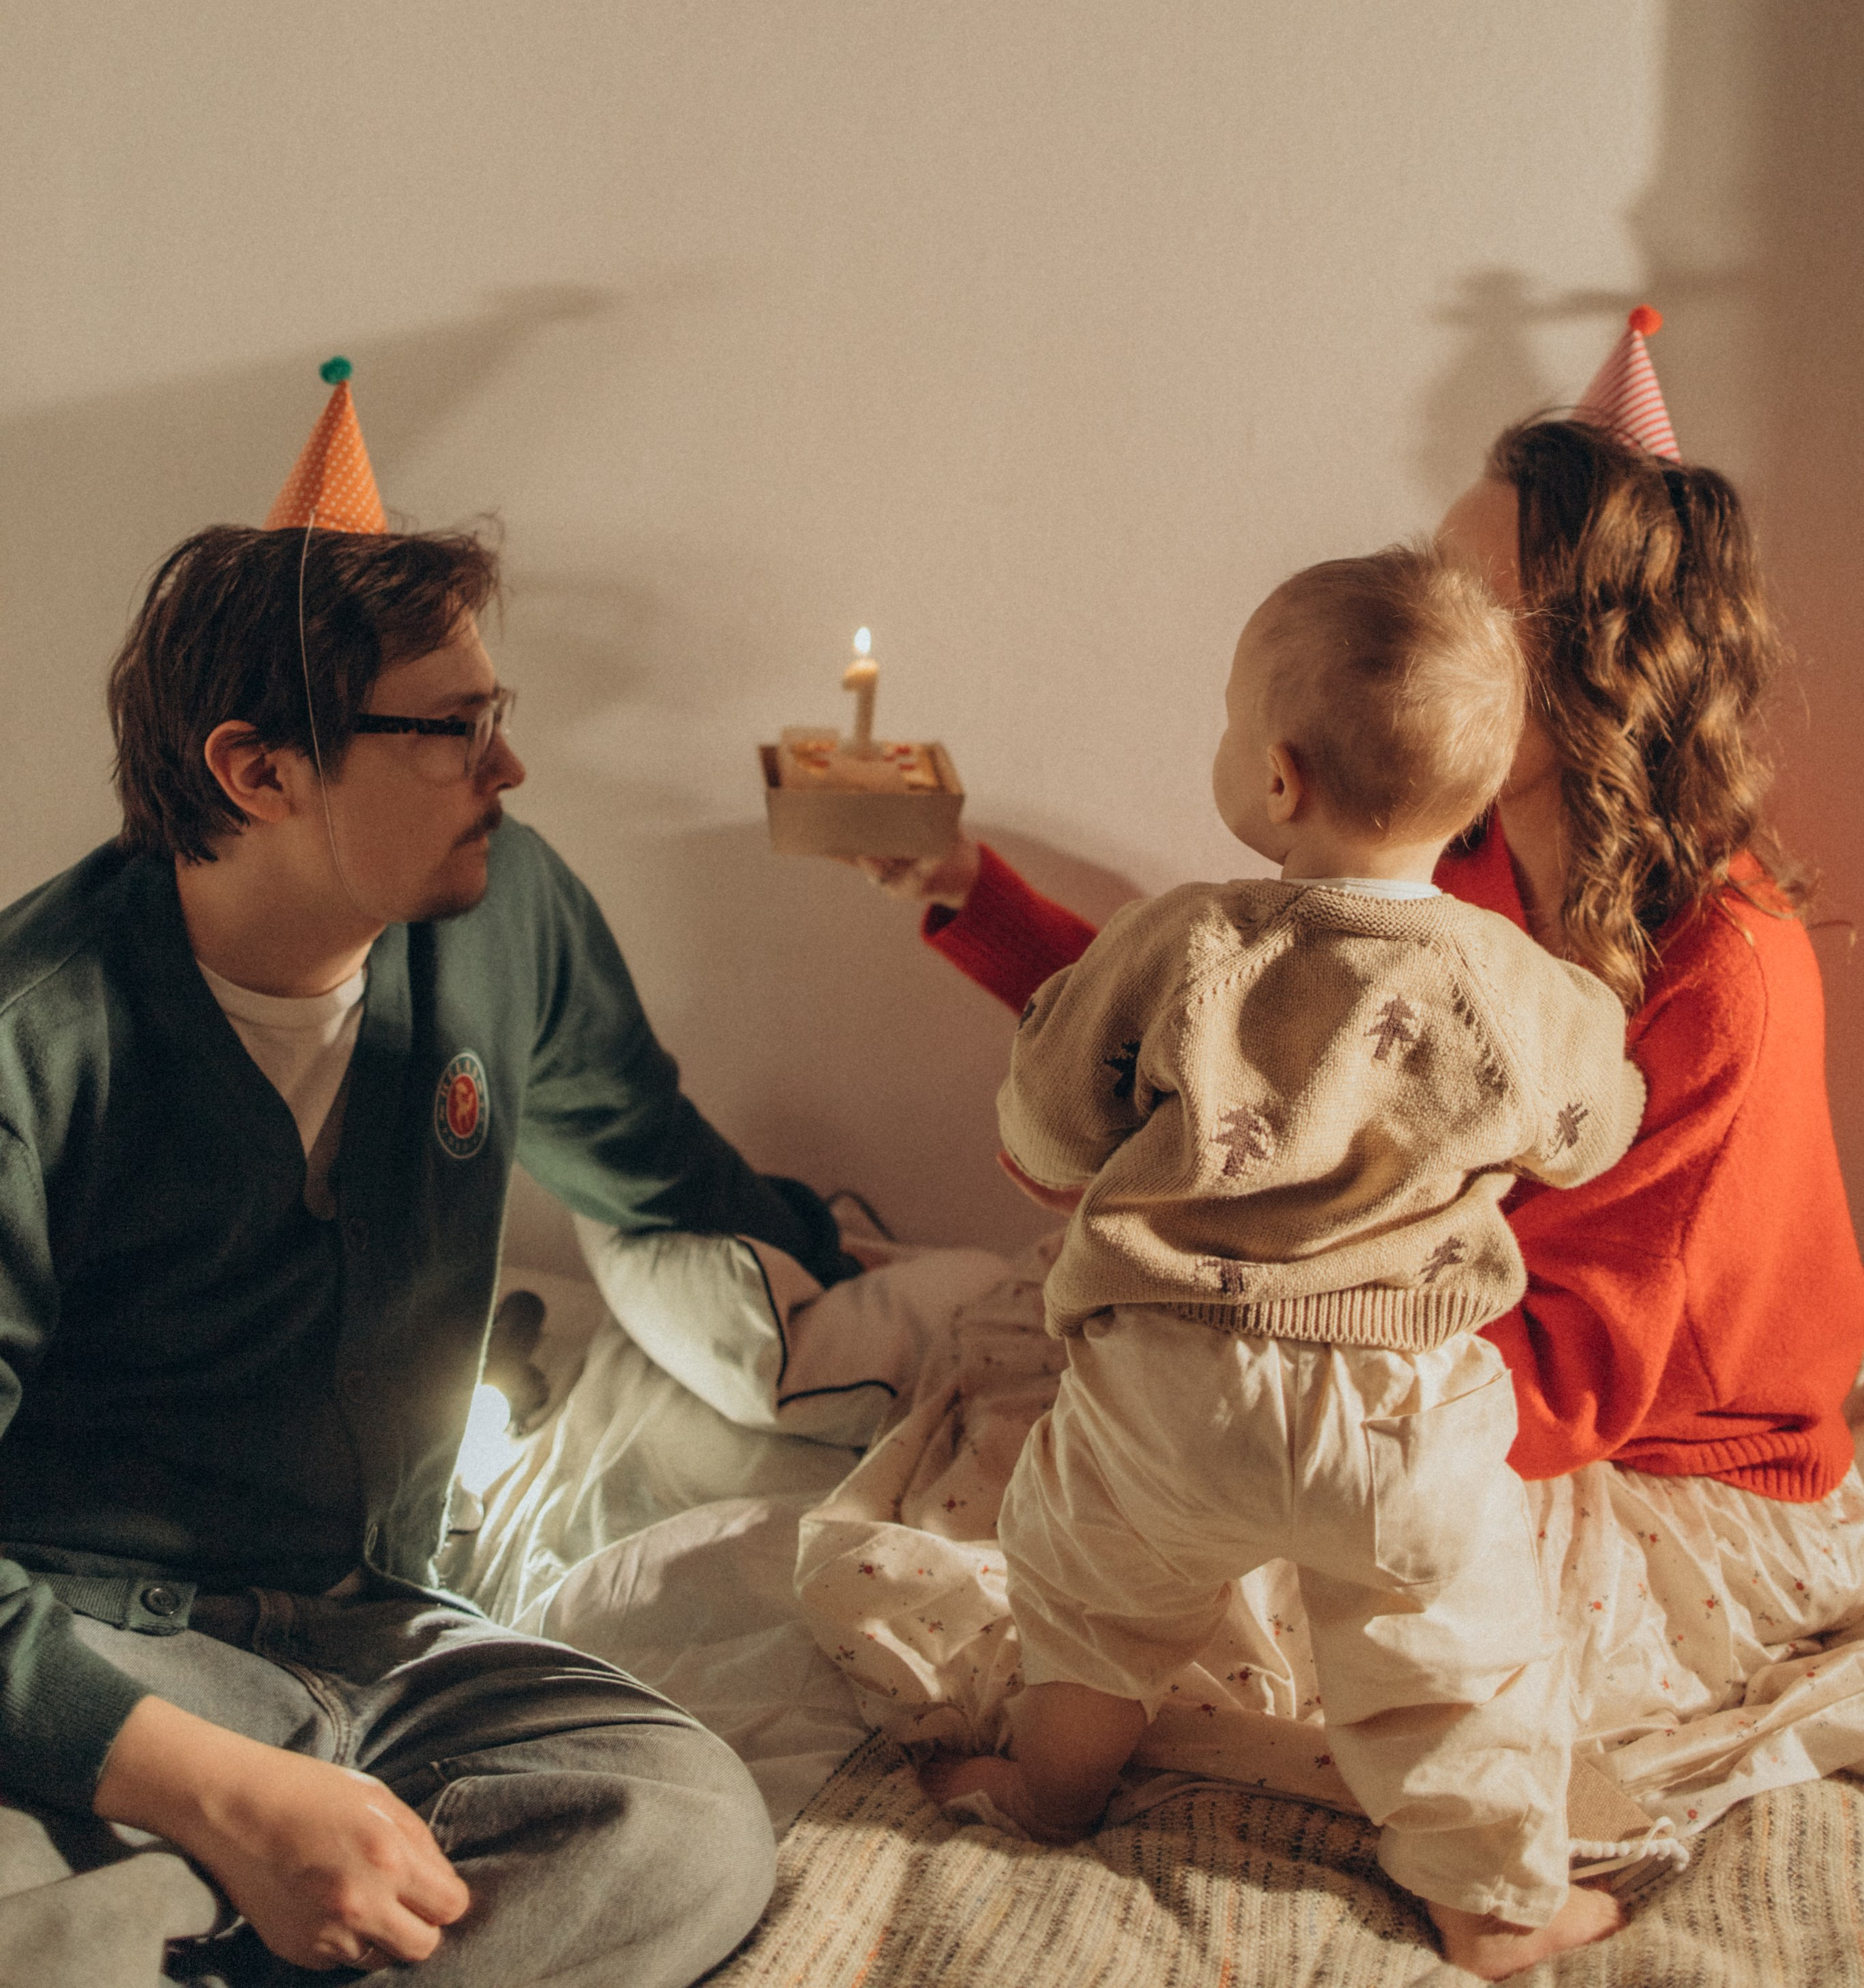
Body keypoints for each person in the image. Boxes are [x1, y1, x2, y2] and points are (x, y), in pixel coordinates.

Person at [880, 415, 1864, 1829]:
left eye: (1463, 600)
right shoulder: (1447, 867)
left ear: (1584, 669)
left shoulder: (1726, 968)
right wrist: (964, 889)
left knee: (1187, 1550)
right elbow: (1216, 1037)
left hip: (1640, 1454)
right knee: (1083, 1456)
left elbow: (1578, 1378)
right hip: (1432, 1360)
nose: (1412, 622)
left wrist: (1242, 1364)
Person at [0, 519, 850, 1984]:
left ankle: (234, 1912)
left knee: (689, 1823)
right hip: (97, 1647)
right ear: (257, 770)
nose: (506, 771)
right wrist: (232, 1794)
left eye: (494, 719)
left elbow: (645, 1153)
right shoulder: (36, 1040)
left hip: (384, 1631)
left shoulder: (505, 913)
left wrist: (831, 1262)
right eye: (453, 732)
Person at [923, 547, 1639, 1979]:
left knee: (1090, 1594)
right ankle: (1493, 1906)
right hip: (1394, 1403)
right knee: (1452, 1648)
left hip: (1164, 1387)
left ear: (1276, 779)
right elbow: (1589, 1129)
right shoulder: (1510, 985)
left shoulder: (1181, 943)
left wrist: (1070, 1151)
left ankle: (1049, 1787)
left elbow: (1050, 1113)